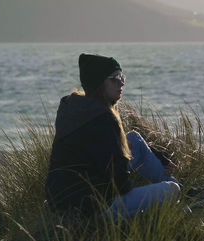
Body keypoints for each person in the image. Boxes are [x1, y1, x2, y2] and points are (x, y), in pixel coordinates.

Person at [45, 53, 181, 222]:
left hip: (60, 203)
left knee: (134, 139)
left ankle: (181, 189)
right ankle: (181, 196)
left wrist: (158, 157)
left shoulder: (73, 108)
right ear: (99, 83)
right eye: (115, 78)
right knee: (171, 189)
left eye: (122, 76)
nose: (122, 82)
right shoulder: (104, 119)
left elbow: (116, 146)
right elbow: (121, 185)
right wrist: (129, 170)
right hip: (93, 209)